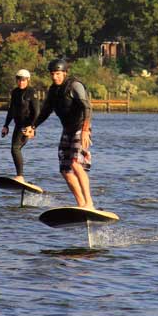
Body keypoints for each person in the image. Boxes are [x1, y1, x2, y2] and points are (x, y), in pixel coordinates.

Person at [28, 59, 94, 209]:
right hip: (67, 130)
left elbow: (87, 108)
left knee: (76, 164)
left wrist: (85, 130)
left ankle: (89, 203)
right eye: (52, 74)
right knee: (65, 170)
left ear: (64, 73)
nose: (55, 77)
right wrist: (33, 126)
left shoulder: (74, 86)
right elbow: (45, 112)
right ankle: (81, 204)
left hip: (80, 128)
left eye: (58, 74)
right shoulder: (53, 91)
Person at [1, 69, 39, 182]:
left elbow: (37, 112)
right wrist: (6, 125)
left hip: (27, 126)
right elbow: (11, 110)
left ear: (28, 80)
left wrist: (32, 127)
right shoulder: (15, 92)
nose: (21, 82)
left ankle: (20, 176)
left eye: (23, 80)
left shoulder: (32, 92)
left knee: (15, 148)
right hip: (18, 125)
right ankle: (21, 175)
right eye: (18, 80)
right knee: (16, 149)